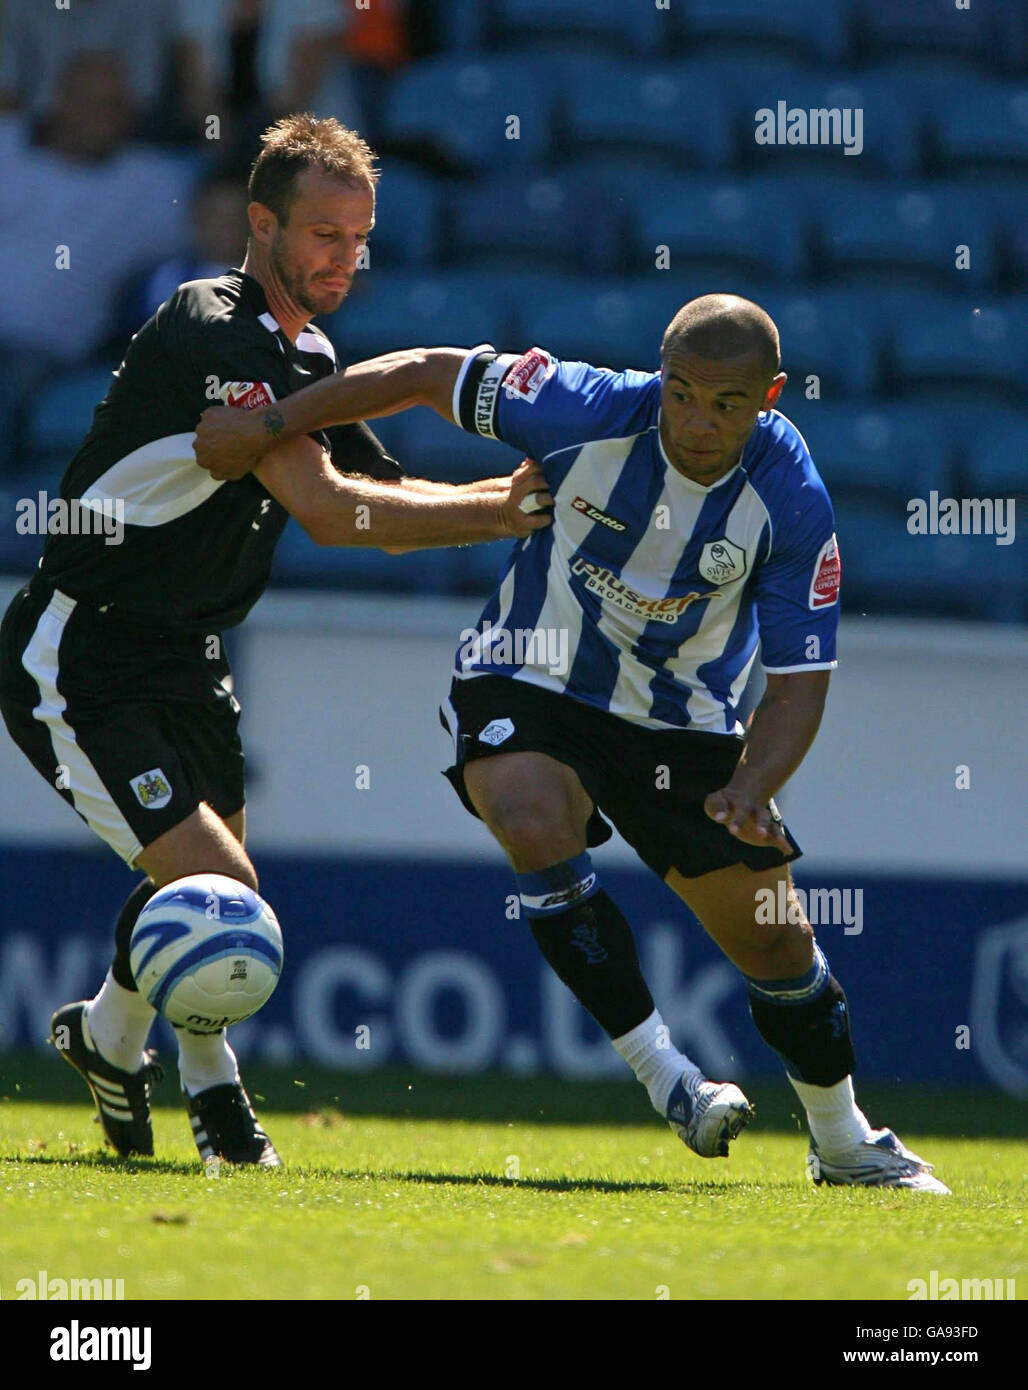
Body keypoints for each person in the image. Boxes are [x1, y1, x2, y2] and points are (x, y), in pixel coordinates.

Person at [192, 295, 951, 1193]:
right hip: (532, 673)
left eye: (728, 403)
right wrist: (273, 420)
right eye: (683, 394)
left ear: (771, 397)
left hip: (684, 720)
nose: (699, 422)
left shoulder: (791, 500)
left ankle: (845, 1140)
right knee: (529, 810)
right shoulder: (579, 406)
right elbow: (426, 374)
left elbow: (799, 681)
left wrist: (753, 786)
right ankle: (669, 1078)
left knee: (778, 942)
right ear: (659, 378)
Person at [0, 114, 549, 1169]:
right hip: (82, 651)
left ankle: (108, 1041)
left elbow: (378, 493)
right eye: (324, 236)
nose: (346, 258)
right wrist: (506, 512)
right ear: (261, 224)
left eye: (359, 238)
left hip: (187, 656)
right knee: (219, 890)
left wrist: (514, 495)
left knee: (215, 889)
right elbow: (333, 513)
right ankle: (219, 1104)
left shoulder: (307, 353)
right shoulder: (213, 326)